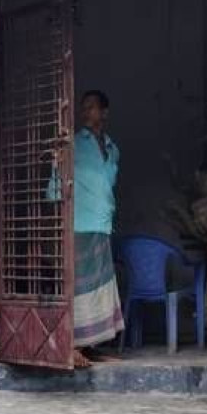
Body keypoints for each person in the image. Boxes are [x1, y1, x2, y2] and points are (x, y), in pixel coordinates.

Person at [70, 90, 124, 367]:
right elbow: (59, 178)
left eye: (91, 107)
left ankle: (91, 345)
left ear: (104, 112)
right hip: (79, 223)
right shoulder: (75, 144)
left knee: (100, 285)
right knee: (79, 286)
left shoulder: (113, 148)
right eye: (84, 107)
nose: (85, 112)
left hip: (102, 223)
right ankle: (73, 345)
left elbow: (108, 185)